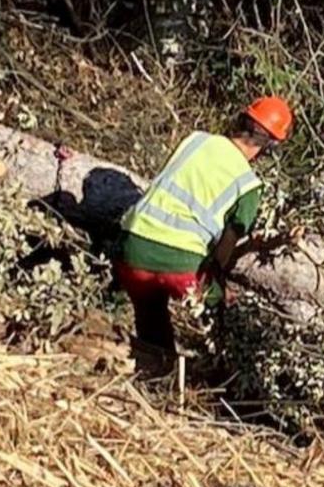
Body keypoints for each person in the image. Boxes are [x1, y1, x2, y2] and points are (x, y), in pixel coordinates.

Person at [115, 96, 293, 364]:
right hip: (179, 267)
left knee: (150, 312)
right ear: (270, 146)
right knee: (217, 309)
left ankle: (156, 365)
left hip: (131, 249)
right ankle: (221, 372)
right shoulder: (248, 185)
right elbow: (223, 253)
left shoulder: (195, 140)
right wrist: (216, 287)